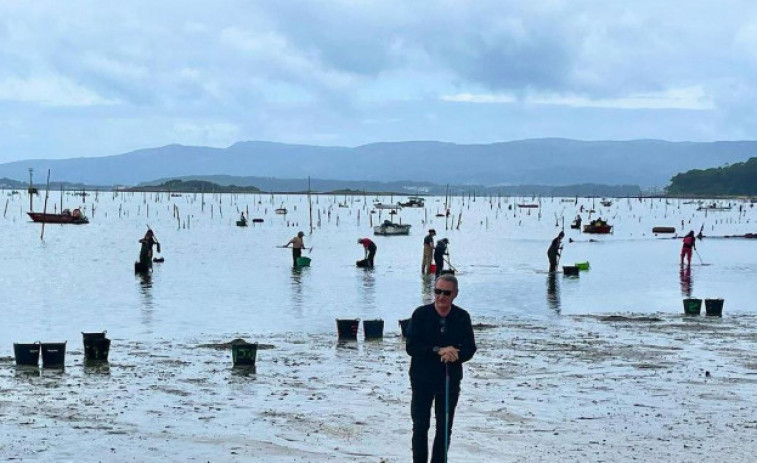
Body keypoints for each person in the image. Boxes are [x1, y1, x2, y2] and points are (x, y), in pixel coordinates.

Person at [406, 274, 477, 463]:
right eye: (437, 291)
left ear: (455, 294)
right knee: (420, 425)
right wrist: (438, 351)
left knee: (445, 427)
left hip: (449, 379)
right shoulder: (420, 314)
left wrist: (456, 354)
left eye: (446, 293)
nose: (441, 296)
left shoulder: (462, 316)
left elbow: (470, 348)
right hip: (422, 378)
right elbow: (412, 347)